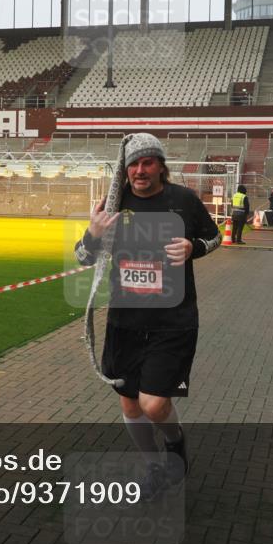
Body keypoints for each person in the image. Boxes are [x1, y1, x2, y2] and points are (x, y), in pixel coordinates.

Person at [75, 133, 220, 494]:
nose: (140, 170)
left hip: (173, 322)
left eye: (147, 163)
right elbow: (82, 256)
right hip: (125, 322)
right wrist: (92, 235)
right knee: (131, 404)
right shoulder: (113, 204)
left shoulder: (183, 200)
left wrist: (193, 248)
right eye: (133, 164)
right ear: (125, 169)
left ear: (160, 165)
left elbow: (214, 236)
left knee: (154, 405)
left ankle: (174, 441)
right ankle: (154, 467)